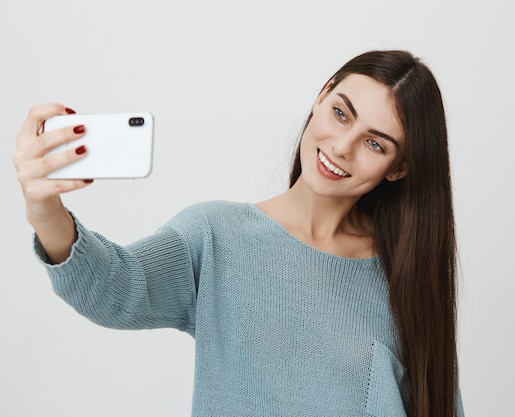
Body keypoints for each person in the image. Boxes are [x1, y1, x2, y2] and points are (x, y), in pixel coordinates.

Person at [14, 50, 464, 417]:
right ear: (322, 96)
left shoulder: (404, 279)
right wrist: (44, 209)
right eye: (341, 113)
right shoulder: (215, 237)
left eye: (374, 143)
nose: (341, 147)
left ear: (399, 167)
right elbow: (114, 289)